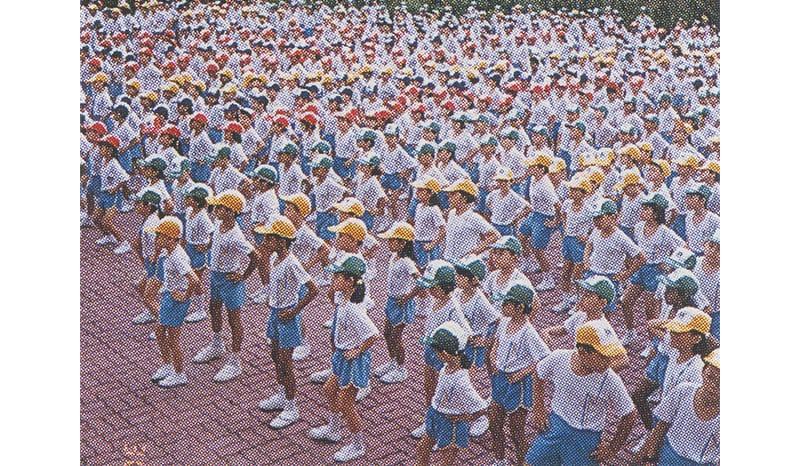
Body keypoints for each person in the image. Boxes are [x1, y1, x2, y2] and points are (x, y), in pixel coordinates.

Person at [525, 321, 637, 466]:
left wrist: (612, 448)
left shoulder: (610, 380)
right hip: (556, 424)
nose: (609, 362)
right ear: (583, 352)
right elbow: (539, 374)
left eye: (611, 356)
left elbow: (629, 414)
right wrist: (538, 408)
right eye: (604, 356)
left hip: (585, 438)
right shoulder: (559, 358)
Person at [308, 254, 379, 462]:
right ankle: (334, 429)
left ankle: (357, 445)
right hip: (341, 356)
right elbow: (332, 297)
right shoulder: (344, 298)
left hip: (352, 360)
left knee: (347, 404)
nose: (333, 280)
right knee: (329, 389)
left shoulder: (355, 310)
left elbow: (373, 334)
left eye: (337, 277)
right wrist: (333, 287)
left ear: (349, 281)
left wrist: (357, 351)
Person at [255, 215, 319, 429]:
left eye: (269, 239)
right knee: (275, 356)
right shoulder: (275, 259)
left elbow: (313, 290)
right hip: (275, 313)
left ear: (282, 241)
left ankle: (292, 407)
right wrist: (271, 298)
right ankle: (282, 395)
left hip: (287, 318)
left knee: (285, 362)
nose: (264, 243)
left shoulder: (292, 263)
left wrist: (294, 311)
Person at [192, 190, 259, 383]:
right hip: (215, 275)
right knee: (214, 308)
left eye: (220, 208)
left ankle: (235, 361)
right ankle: (217, 344)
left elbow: (255, 256)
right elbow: (214, 240)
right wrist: (207, 246)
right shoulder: (218, 223)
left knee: (234, 319)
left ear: (231, 212)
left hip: (230, 280)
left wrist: (243, 276)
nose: (215, 210)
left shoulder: (236, 236)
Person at [632, 307, 716, 451]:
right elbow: (652, 324)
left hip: (674, 423)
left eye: (678, 332)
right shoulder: (675, 350)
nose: (672, 335)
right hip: (666, 413)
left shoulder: (696, 370)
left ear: (695, 338)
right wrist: (678, 321)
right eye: (672, 330)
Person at [487, 282, 550, 466]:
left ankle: (523, 462)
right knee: (494, 422)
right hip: (500, 378)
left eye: (507, 304)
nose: (502, 307)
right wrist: (493, 355)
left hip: (518, 384)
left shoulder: (529, 332)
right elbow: (498, 341)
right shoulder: (504, 321)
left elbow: (544, 357)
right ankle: (500, 460)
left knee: (516, 431)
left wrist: (521, 373)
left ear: (520, 307)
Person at [411, 260, 474, 439]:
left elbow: (466, 333)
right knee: (429, 386)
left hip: (444, 355)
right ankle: (429, 420)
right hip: (431, 348)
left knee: (444, 393)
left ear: (446, 286)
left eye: (434, 287)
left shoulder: (453, 306)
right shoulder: (435, 299)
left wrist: (452, 354)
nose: (430, 290)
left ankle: (445, 429)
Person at [414, 322, 489, 466]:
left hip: (450, 422)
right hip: (435, 414)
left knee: (446, 460)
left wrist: (465, 418)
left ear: (446, 353)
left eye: (436, 351)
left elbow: (483, 407)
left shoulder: (461, 381)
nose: (434, 354)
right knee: (422, 449)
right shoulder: (446, 367)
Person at [618, 193, 685, 345]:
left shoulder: (664, 231)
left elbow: (682, 247)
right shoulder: (638, 227)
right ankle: (630, 333)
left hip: (655, 272)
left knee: (650, 310)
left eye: (646, 209)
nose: (642, 211)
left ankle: (651, 342)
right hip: (640, 269)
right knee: (625, 301)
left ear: (655, 213)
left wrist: (668, 264)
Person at [635, 348, 720, 466]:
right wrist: (647, 459)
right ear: (703, 372)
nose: (712, 386)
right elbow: (658, 431)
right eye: (710, 377)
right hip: (669, 457)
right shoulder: (683, 391)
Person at [148, 216, 201, 388]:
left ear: (170, 238)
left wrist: (185, 296)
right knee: (159, 331)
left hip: (176, 300)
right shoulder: (169, 252)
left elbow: (194, 280)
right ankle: (167, 365)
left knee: (172, 339)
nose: (156, 239)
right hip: (169, 297)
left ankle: (179, 373)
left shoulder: (178, 257)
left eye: (159, 236)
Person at [451, 254, 500, 437]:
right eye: (457, 274)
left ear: (473, 280)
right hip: (458, 347)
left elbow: (496, 320)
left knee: (466, 385)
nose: (457, 278)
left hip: (473, 348)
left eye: (462, 276)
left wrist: (486, 341)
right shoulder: (457, 293)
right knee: (460, 383)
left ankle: (482, 416)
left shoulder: (479, 299)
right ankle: (463, 414)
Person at [374, 222, 420, 384]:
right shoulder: (394, 257)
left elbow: (420, 282)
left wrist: (408, 296)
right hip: (391, 300)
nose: (389, 243)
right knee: (387, 333)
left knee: (396, 337)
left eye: (393, 240)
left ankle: (401, 368)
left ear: (403, 243)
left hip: (401, 304)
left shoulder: (407, 262)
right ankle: (392, 361)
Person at [582, 197, 646, 312]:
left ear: (612, 218)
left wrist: (626, 274)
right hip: (592, 273)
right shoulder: (597, 230)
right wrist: (586, 259)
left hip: (609, 277)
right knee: (586, 308)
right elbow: (589, 243)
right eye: (594, 219)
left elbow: (641, 257)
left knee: (605, 311)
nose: (596, 222)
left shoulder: (620, 237)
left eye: (600, 218)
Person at [552, 176, 593, 314]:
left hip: (579, 244)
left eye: (576, 190)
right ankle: (565, 299)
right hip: (568, 241)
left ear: (584, 193)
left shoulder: (588, 209)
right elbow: (562, 214)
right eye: (572, 190)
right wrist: (565, 228)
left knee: (578, 275)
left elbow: (595, 227)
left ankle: (578, 301)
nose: (573, 192)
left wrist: (586, 237)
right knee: (566, 272)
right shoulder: (567, 204)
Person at [519, 153, 561, 289]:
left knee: (538, 249)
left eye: (533, 166)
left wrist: (555, 221)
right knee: (522, 235)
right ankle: (528, 263)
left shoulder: (545, 185)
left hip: (545, 216)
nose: (529, 168)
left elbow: (558, 205)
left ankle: (548, 279)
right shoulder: (533, 179)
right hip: (535, 214)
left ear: (541, 169)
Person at [441, 178, 501, 261]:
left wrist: (474, 252)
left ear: (464, 197)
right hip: (448, 259)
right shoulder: (452, 213)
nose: (449, 197)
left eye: (453, 194)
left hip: (464, 263)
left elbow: (494, 235)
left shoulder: (473, 217)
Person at [247, 164, 280, 305]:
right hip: (259, 233)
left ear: (265, 182)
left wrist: (261, 227)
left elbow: (272, 217)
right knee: (261, 262)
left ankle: (270, 290)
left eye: (257, 180)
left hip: (266, 234)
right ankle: (265, 287)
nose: (254, 182)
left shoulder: (269, 197)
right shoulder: (262, 194)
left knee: (264, 262)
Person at [94, 135, 132, 254]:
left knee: (106, 221)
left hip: (113, 196)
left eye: (102, 147)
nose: (100, 150)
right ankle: (108, 236)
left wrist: (115, 188)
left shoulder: (114, 163)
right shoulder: (104, 161)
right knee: (96, 218)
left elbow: (125, 178)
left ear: (110, 150)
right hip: (103, 193)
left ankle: (124, 243)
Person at [182, 183, 215, 323]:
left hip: (198, 251)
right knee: (189, 277)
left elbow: (213, 233)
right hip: (189, 247)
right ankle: (193, 304)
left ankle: (200, 309)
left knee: (196, 281)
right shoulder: (189, 212)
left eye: (189, 198)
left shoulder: (203, 216)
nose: (186, 200)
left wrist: (206, 247)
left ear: (196, 201)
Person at [409, 175, 446, 268]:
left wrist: (432, 244)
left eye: (421, 190)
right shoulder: (419, 207)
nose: (417, 193)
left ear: (430, 193)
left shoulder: (434, 209)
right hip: (418, 243)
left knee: (430, 270)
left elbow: (443, 229)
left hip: (428, 244)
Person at [485, 166, 531, 236]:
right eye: (500, 181)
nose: (502, 184)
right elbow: (488, 203)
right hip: (495, 224)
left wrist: (515, 219)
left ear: (511, 181)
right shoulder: (493, 194)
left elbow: (528, 207)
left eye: (505, 181)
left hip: (507, 226)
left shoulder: (514, 196)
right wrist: (495, 211)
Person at [695, 229, 720, 340]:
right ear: (705, 245)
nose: (713, 251)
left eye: (719, 249)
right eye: (711, 246)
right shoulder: (694, 263)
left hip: (714, 316)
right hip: (693, 310)